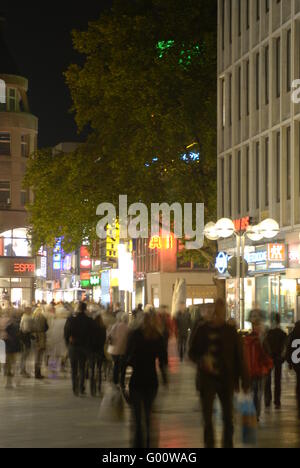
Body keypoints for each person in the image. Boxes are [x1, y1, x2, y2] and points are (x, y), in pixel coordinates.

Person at [189, 298, 250, 449]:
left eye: (221, 313)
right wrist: (202, 360)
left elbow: (239, 357)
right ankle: (209, 444)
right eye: (216, 312)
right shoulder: (202, 329)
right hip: (207, 378)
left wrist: (244, 380)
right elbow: (192, 353)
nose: (217, 316)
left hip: (226, 378)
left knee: (228, 418)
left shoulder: (230, 332)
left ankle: (227, 444)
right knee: (207, 418)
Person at [124, 308, 168, 448]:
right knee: (148, 416)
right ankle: (150, 444)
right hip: (151, 380)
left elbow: (127, 358)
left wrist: (121, 379)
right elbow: (163, 360)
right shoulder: (157, 336)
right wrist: (165, 378)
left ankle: (137, 445)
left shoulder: (135, 335)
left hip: (136, 380)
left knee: (137, 418)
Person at [244, 310, 273, 421]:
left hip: (258, 371)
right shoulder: (251, 340)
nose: (258, 327)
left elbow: (267, 354)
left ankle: (255, 414)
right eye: (256, 325)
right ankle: (254, 414)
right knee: (254, 393)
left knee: (256, 393)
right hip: (254, 371)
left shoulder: (257, 340)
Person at [64, 302, 93, 396]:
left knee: (74, 368)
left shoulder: (71, 319)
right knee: (82, 368)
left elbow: (66, 333)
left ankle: (75, 388)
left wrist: (67, 343)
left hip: (73, 346)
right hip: (84, 347)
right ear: (85, 309)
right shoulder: (89, 320)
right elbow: (91, 334)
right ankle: (81, 387)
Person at [264, 314, 287, 409]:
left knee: (267, 380)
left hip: (269, 359)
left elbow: (265, 346)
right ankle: (277, 401)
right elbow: (284, 347)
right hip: (278, 359)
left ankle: (267, 400)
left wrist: (268, 354)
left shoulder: (268, 333)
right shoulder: (282, 333)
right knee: (277, 380)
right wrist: (282, 358)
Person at [108, 313, 129, 389]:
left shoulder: (115, 326)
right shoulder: (127, 328)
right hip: (123, 350)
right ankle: (122, 382)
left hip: (114, 350)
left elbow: (109, 336)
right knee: (123, 367)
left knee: (116, 365)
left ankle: (115, 381)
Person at [89, 314, 106, 396]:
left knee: (92, 369)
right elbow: (104, 339)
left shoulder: (91, 328)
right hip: (100, 350)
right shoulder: (103, 328)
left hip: (92, 350)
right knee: (99, 370)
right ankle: (99, 387)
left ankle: (92, 389)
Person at [286, 321, 300, 420]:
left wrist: (289, 362)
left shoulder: (293, 334)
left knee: (298, 383)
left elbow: (288, 348)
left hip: (297, 364)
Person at [4, 313, 22, 388]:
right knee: (15, 363)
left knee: (9, 363)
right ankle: (16, 378)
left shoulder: (7, 327)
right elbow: (20, 336)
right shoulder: (18, 326)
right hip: (16, 347)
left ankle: (9, 377)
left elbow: (6, 337)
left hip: (9, 348)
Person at [32, 306, 49, 379]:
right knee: (40, 356)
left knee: (36, 356)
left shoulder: (33, 317)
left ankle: (36, 372)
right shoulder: (43, 317)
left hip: (34, 337)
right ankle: (38, 373)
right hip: (41, 337)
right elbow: (47, 327)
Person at [19, 307, 34, 378]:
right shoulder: (27, 318)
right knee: (25, 354)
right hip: (26, 338)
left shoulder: (23, 317)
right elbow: (26, 329)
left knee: (23, 355)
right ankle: (22, 370)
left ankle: (22, 369)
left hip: (23, 337)